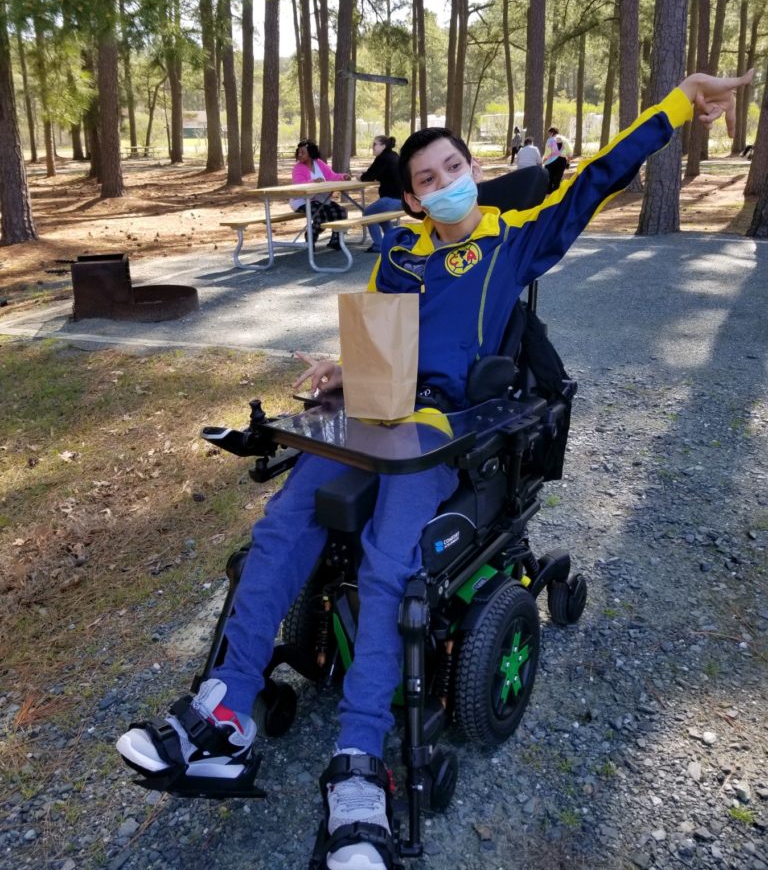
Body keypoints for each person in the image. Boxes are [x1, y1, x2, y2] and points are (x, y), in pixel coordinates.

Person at [116, 69, 752, 870]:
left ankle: (357, 765)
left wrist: (676, 105)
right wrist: (342, 372)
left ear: (471, 174)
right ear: (411, 198)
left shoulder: (513, 238)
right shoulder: (399, 256)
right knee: (281, 526)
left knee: (390, 564)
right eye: (426, 179)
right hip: (371, 421)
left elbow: (597, 176)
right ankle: (225, 713)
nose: (444, 184)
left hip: (439, 433)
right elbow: (381, 349)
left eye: (455, 168)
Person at [291, 140, 352, 251]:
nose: (299, 155)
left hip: (321, 199)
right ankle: (310, 240)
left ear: (311, 153)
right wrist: (313, 181)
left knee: (340, 212)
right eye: (298, 152)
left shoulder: (318, 163)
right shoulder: (298, 168)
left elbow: (331, 176)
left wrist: (343, 177)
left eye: (302, 152)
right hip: (302, 201)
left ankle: (336, 240)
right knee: (320, 216)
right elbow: (298, 185)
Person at [359, 135, 404, 254]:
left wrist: (361, 177)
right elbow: (380, 173)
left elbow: (368, 176)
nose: (372, 147)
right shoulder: (394, 156)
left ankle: (378, 245)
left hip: (392, 199)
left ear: (383, 146)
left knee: (368, 213)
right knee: (380, 215)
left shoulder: (383, 158)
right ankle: (392, 242)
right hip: (403, 200)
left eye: (375, 144)